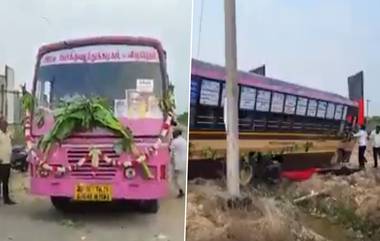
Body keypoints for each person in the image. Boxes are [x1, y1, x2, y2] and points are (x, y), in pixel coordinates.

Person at [0, 117, 16, 204]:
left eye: (6, 124)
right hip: (1, 161)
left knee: (5, 181)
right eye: (3, 124)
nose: (5, 125)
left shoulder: (8, 133)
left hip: (7, 161)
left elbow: (12, 140)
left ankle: (6, 199)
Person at [170, 128, 187, 198]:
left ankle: (181, 191)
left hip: (177, 163)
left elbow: (170, 151)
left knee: (175, 179)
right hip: (184, 162)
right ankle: (182, 190)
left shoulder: (174, 142)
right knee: (180, 177)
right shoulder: (184, 140)